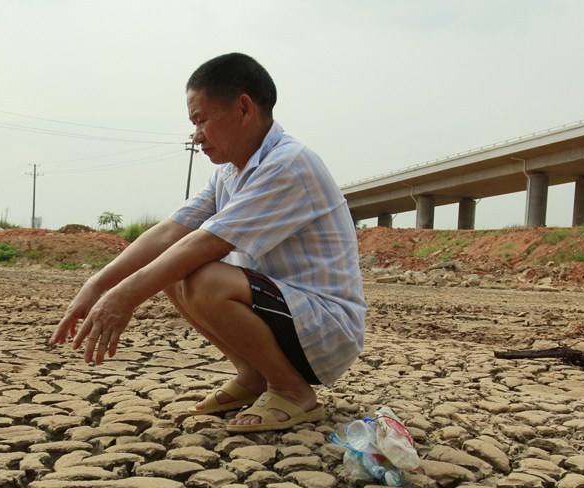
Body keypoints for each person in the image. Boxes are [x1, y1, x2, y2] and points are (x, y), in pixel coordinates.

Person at [50, 52, 365, 432]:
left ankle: (292, 390)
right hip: (290, 315)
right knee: (173, 270)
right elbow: (172, 232)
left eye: (201, 120)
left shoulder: (288, 163)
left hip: (325, 326)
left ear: (243, 108)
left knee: (202, 277)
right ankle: (254, 377)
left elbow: (205, 244)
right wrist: (99, 285)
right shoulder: (232, 173)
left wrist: (124, 298)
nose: (196, 135)